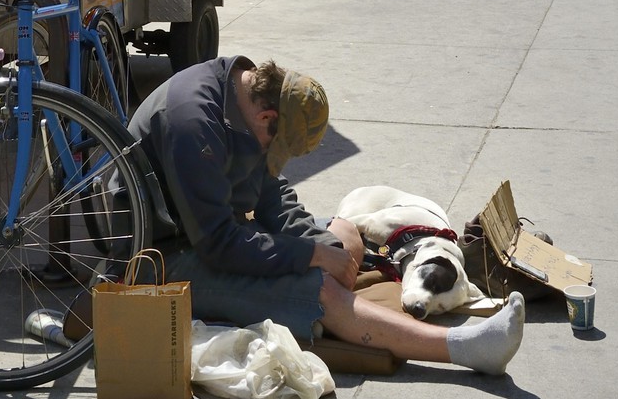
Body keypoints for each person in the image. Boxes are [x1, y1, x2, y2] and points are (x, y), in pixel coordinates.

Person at [126, 54, 526, 377]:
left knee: (347, 233)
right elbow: (219, 245)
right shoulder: (195, 125)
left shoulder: (242, 93)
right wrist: (313, 258)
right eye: (275, 147)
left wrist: (328, 246)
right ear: (268, 118)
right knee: (320, 289)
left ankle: (338, 297)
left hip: (204, 230)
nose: (273, 158)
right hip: (157, 256)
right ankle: (469, 348)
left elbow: (270, 195)